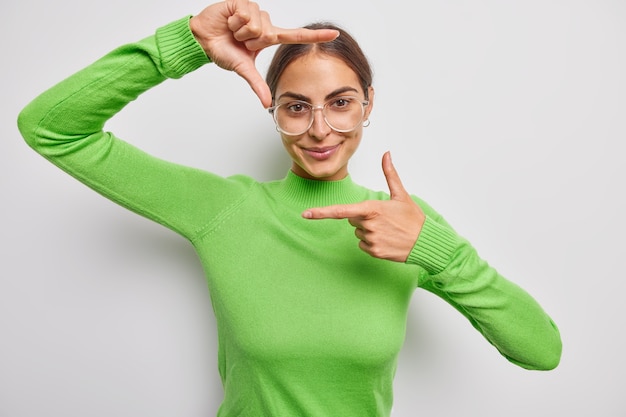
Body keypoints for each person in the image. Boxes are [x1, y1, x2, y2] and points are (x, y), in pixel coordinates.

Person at [17, 1, 562, 415]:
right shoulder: (224, 209)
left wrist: (441, 255)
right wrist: (185, 44)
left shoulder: (403, 223)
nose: (320, 129)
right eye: (296, 107)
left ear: (368, 103)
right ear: (271, 108)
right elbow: (52, 129)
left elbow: (541, 350)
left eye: (341, 103)